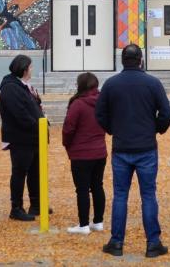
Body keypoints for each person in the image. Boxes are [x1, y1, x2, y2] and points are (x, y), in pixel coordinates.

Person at [96, 44, 170, 259]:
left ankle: (117, 242)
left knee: (120, 195)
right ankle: (153, 243)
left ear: (122, 60)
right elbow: (166, 113)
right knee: (148, 194)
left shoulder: (111, 84)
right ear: (141, 60)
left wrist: (113, 129)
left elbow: (100, 114)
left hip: (121, 146)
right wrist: (155, 129)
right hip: (146, 146)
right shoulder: (152, 83)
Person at [0, 54, 45, 222]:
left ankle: (36, 204)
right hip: (21, 137)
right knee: (20, 172)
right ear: (24, 69)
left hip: (33, 137)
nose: (32, 70)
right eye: (31, 67)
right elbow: (19, 113)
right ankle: (16, 207)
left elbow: (34, 106)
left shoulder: (25, 86)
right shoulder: (10, 87)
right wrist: (35, 124)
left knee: (35, 171)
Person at [62, 72, 107, 235]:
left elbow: (68, 128)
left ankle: (83, 224)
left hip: (81, 153)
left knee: (82, 189)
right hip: (100, 151)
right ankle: (98, 221)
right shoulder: (102, 102)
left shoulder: (78, 104)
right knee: (97, 186)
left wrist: (66, 143)